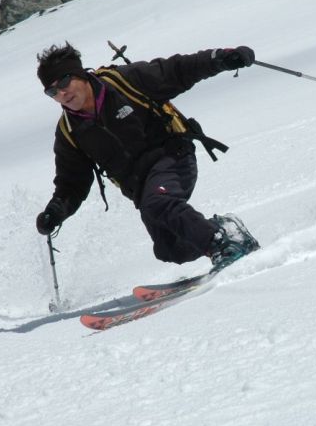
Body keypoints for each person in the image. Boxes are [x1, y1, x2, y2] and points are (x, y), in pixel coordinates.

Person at [34, 42, 260, 270]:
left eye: (64, 82)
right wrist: (56, 211)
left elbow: (177, 70)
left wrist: (221, 58)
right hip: (140, 187)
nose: (61, 93)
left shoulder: (124, 81)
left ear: (80, 75)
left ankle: (220, 244)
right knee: (169, 249)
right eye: (52, 91)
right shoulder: (70, 132)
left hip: (172, 156)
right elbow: (72, 182)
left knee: (159, 202)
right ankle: (223, 229)